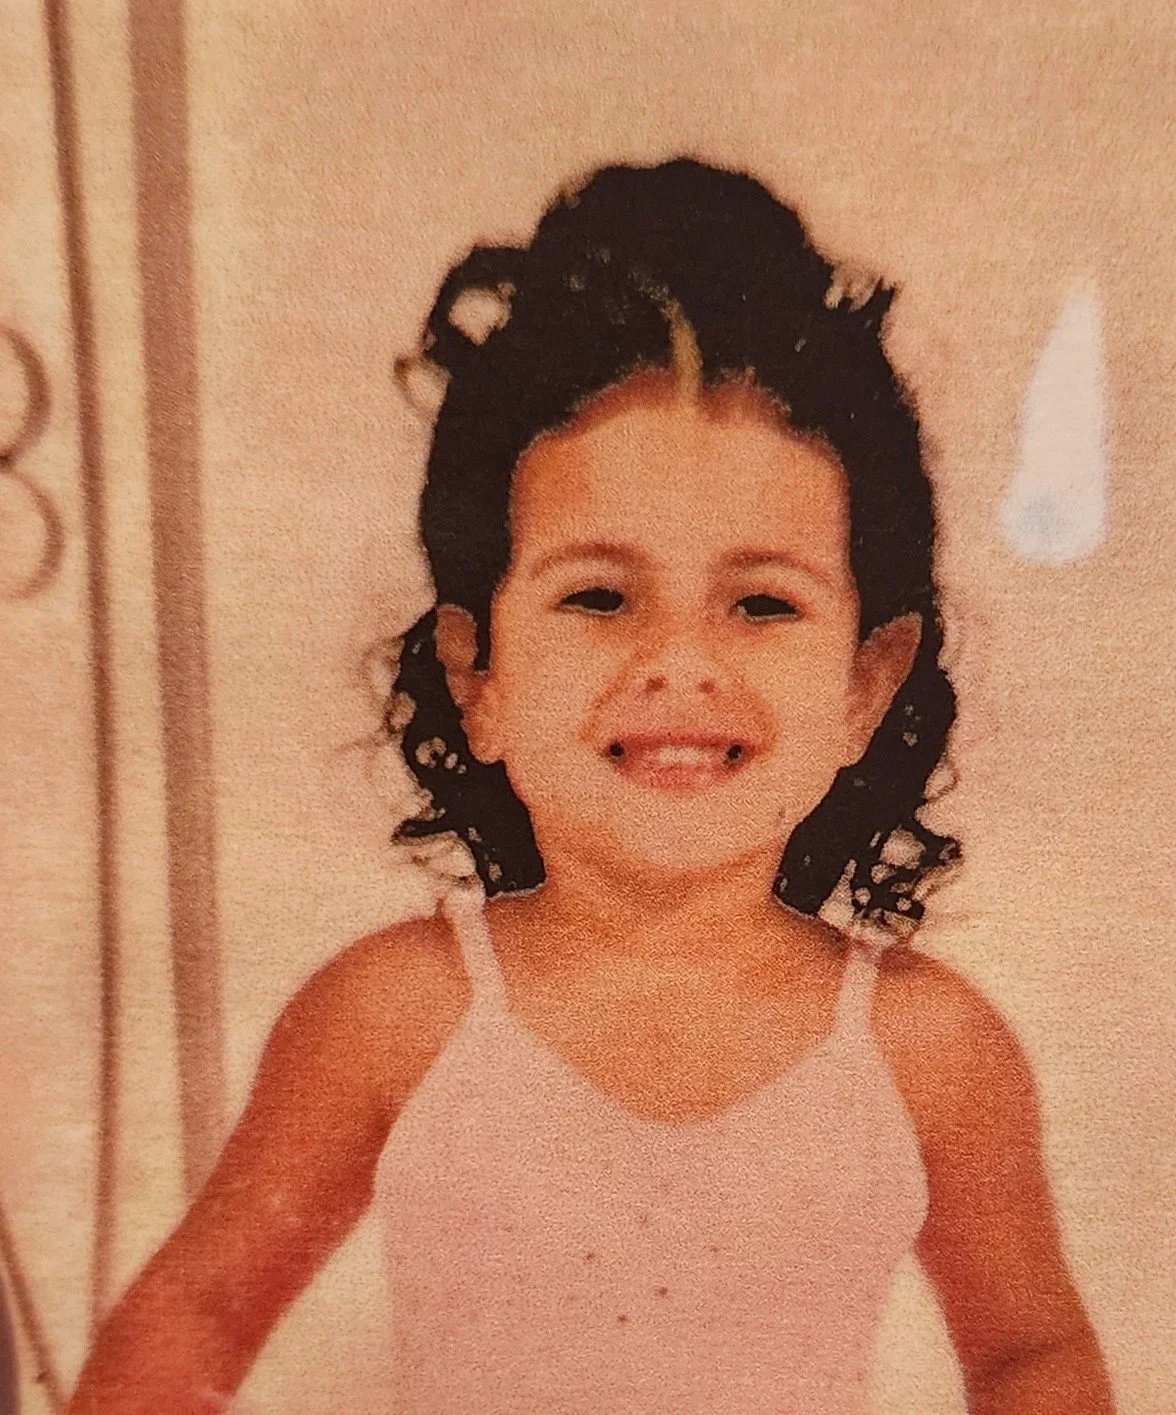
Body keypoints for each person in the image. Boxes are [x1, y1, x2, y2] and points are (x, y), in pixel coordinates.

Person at [69, 159, 1113, 1414]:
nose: (678, 662)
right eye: (599, 596)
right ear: (479, 674)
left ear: (865, 683)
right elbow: (198, 1305)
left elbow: (1029, 1353)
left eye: (761, 602)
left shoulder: (927, 1048)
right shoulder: (394, 1015)